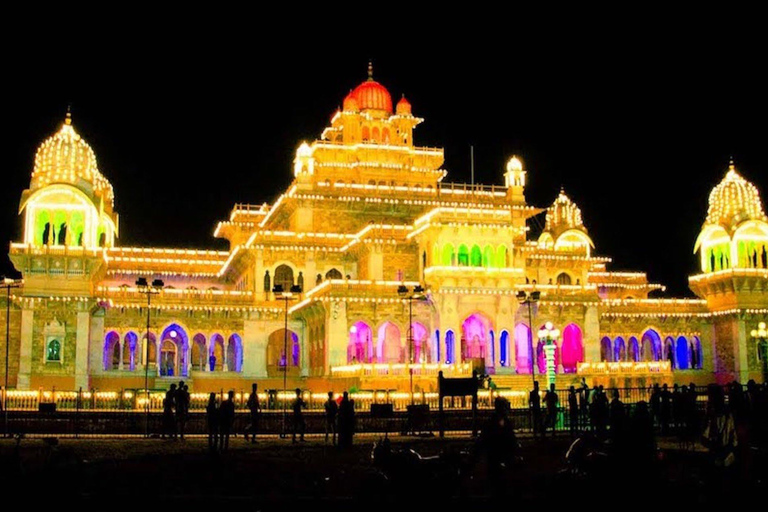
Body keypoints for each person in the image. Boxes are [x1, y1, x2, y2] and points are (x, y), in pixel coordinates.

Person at [476, 396, 519, 488]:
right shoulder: (504, 423)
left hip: (495, 457)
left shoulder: (491, 422)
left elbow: (483, 439)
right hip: (498, 457)